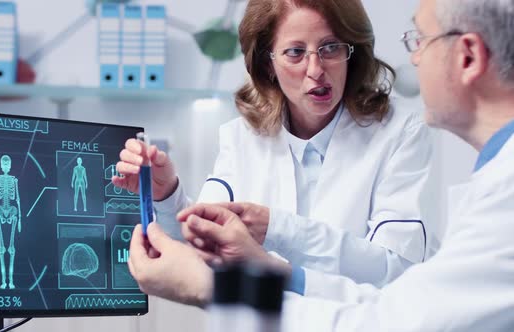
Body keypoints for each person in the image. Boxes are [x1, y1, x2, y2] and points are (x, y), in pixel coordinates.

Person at [129, 0, 514, 330]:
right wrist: (167, 193)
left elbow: (395, 298)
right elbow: (196, 242)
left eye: (330, 48)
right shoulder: (240, 137)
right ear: (268, 65)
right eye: (295, 52)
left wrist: (265, 241)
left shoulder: (406, 136)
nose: (315, 69)